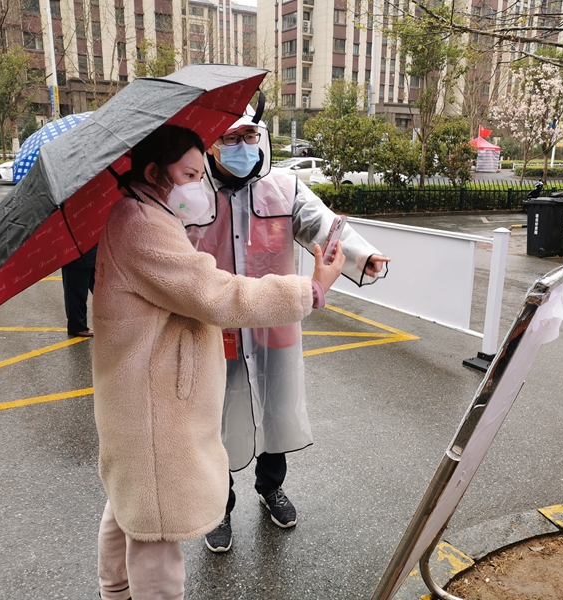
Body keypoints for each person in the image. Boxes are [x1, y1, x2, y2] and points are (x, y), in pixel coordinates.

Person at [92, 124, 345, 600]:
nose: (198, 184)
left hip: (136, 398)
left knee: (131, 506)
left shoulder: (142, 212)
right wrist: (311, 290)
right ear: (154, 172)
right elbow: (216, 294)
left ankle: (115, 591)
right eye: (189, 174)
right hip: (151, 407)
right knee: (155, 531)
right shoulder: (143, 224)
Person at [185, 101, 390, 553]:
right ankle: (218, 506)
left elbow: (322, 225)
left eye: (249, 136)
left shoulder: (282, 187)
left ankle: (270, 487)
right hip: (216, 328)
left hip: (273, 325)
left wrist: (363, 255)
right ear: (211, 144)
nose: (242, 146)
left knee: (274, 408)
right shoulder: (191, 194)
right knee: (216, 420)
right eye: (231, 138)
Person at [61, 247, 96, 337]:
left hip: (91, 252)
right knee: (76, 292)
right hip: (75, 254)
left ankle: (113, 320)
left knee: (102, 290)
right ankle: (78, 327)